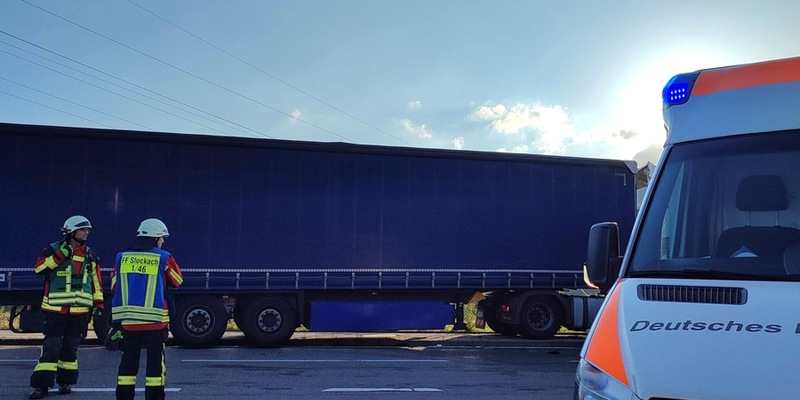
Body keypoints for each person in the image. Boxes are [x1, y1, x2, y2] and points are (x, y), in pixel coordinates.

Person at [29, 215, 105, 399]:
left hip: (79, 310)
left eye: (87, 230)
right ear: (71, 231)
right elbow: (39, 269)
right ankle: (41, 386)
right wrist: (59, 257)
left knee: (71, 347)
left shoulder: (90, 254)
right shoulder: (53, 250)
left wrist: (99, 304)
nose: (87, 232)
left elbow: (96, 280)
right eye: (83, 229)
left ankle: (65, 382)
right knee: (51, 347)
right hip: (56, 309)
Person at [110, 218, 183, 400]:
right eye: (161, 237)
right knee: (155, 367)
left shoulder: (122, 257)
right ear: (155, 238)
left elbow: (114, 286)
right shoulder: (163, 257)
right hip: (155, 323)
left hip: (129, 323)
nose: (163, 241)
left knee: (127, 364)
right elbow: (177, 280)